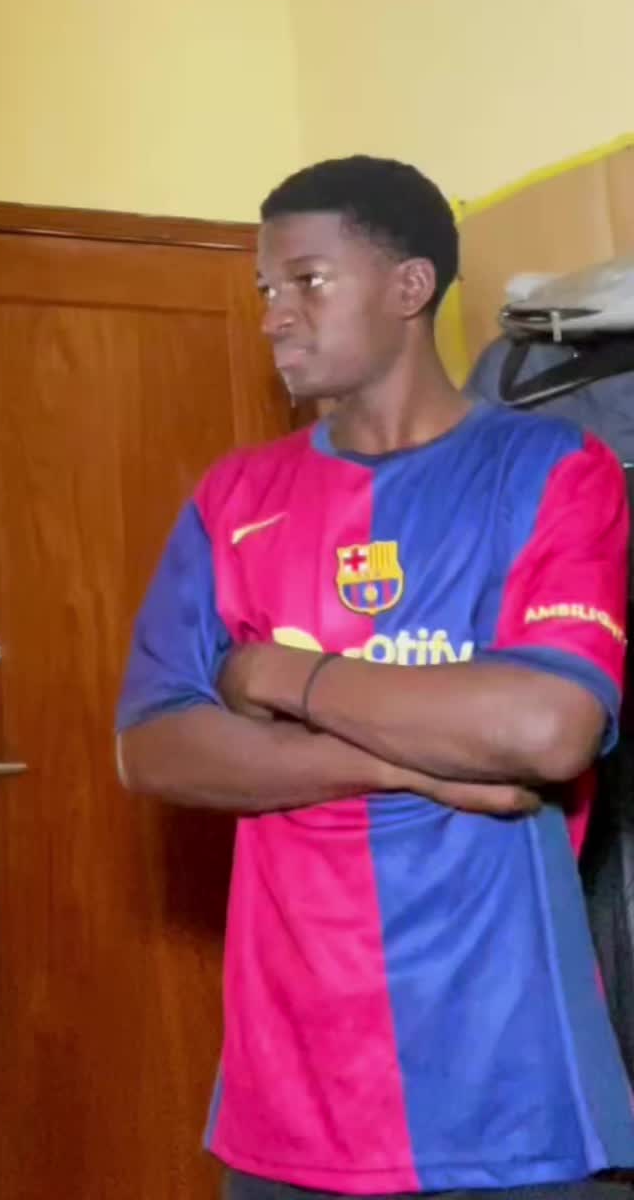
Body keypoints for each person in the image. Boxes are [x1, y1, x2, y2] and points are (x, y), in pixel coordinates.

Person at [117, 155, 634, 1200]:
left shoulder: (554, 470)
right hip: (290, 1101)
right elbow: (154, 747)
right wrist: (412, 766)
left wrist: (283, 673)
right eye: (266, 288)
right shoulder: (235, 496)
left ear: (409, 287)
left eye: (307, 281)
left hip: (514, 1091)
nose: (274, 314)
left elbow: (547, 730)